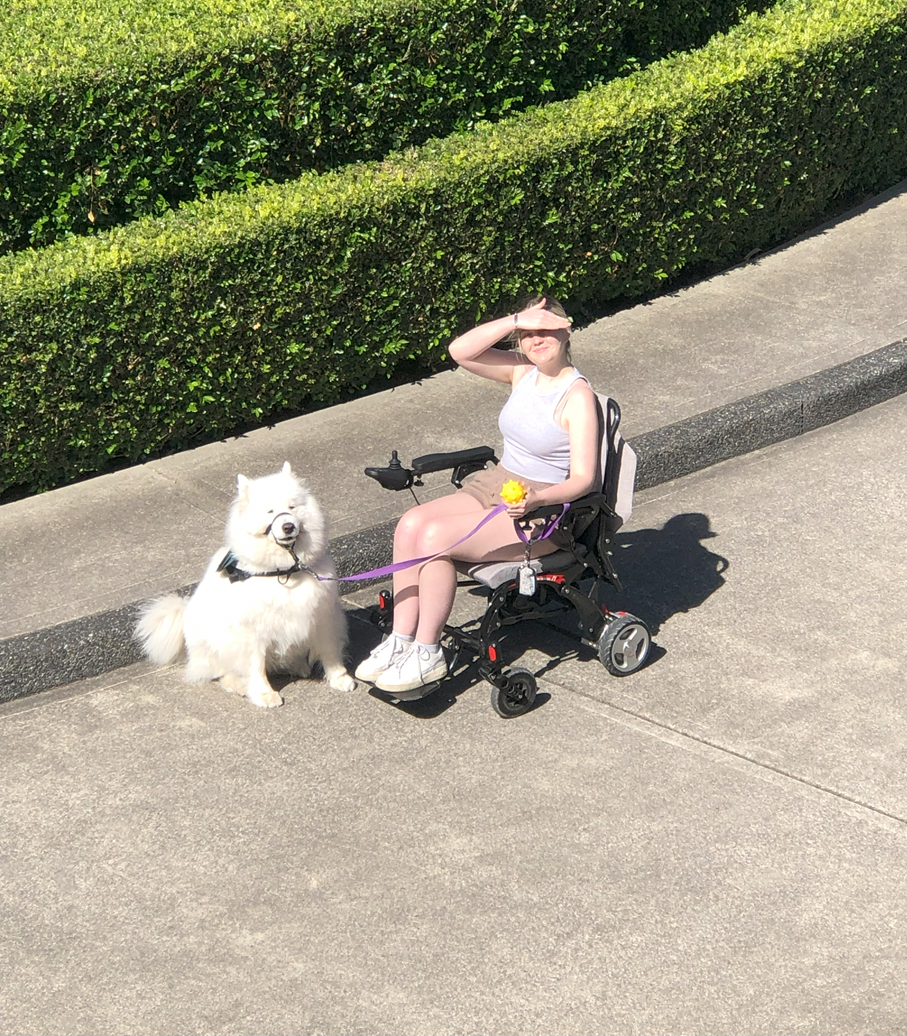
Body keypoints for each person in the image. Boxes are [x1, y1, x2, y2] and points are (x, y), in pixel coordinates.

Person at [355, 295, 600, 695]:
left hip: (543, 509)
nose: (537, 339)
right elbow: (460, 350)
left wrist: (536, 501)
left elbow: (584, 479)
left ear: (566, 330)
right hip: (500, 480)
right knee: (410, 524)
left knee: (435, 540)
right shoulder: (523, 373)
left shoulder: (577, 396)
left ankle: (428, 650)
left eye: (546, 329)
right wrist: (517, 319)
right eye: (528, 334)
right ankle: (400, 641)